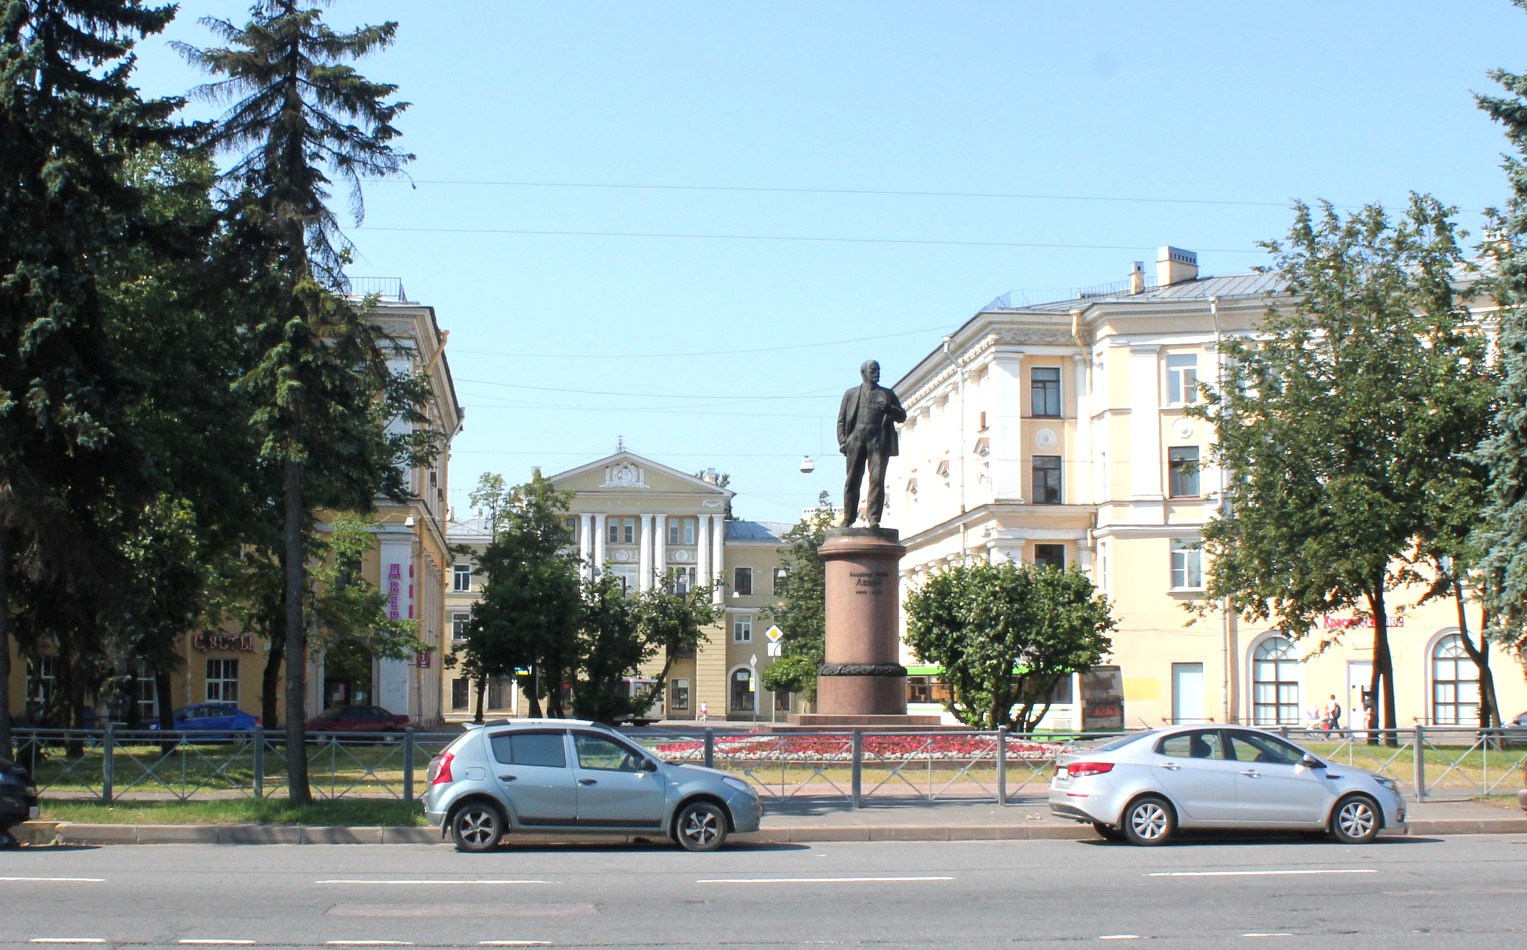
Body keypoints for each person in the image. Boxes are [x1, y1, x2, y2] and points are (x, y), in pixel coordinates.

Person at [837, 359, 907, 528]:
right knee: (852, 480)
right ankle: (848, 518)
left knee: (877, 479)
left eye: (878, 370)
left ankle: (874, 518)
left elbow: (902, 416)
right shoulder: (851, 394)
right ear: (864, 373)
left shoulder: (887, 394)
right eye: (873, 370)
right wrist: (843, 441)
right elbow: (841, 420)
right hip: (856, 439)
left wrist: (890, 409)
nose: (877, 373)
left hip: (878, 441)